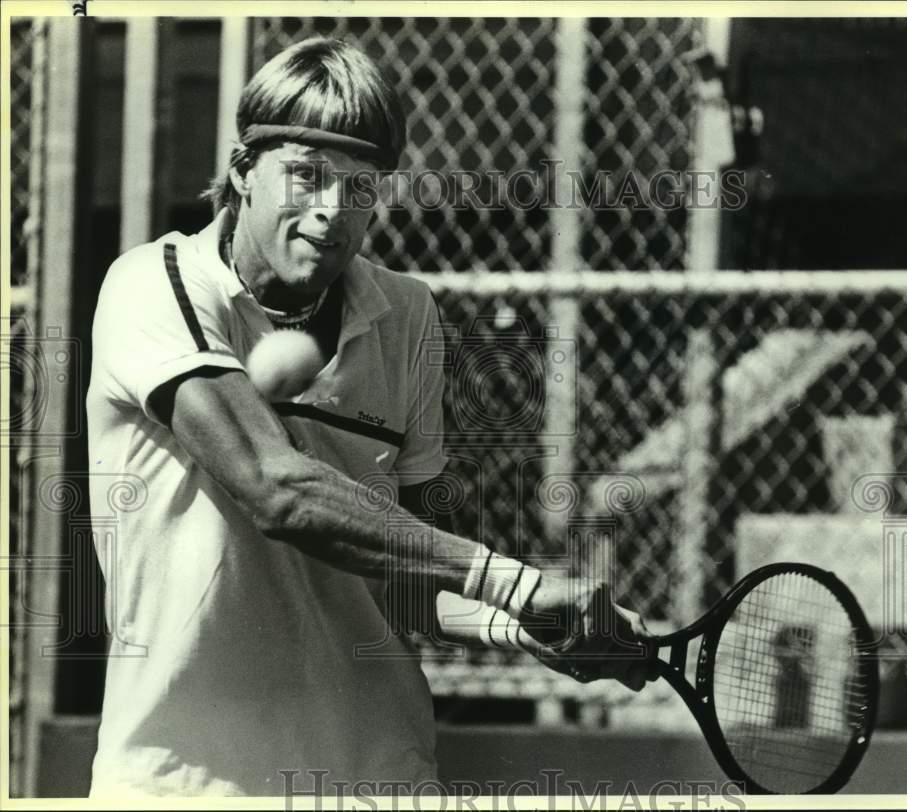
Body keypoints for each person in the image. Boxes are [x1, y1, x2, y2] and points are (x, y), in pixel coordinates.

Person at [86, 36, 657, 798]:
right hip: (184, 782)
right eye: (307, 175)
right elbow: (277, 491)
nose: (333, 211)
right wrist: (514, 582)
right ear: (241, 170)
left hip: (375, 778)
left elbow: (407, 583)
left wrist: (519, 624)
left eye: (361, 187)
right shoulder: (152, 287)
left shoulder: (407, 314)